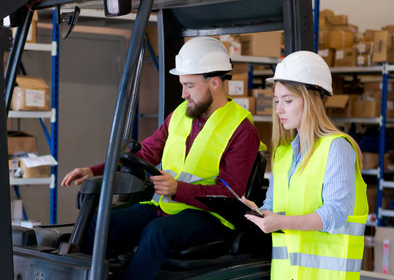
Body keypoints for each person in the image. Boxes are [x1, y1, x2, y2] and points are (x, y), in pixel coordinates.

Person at [61, 36, 261, 280]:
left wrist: (179, 189)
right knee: (100, 223)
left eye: (189, 85)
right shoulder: (180, 115)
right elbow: (143, 154)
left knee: (157, 233)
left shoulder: (242, 128)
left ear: (215, 83)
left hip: (212, 217)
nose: (183, 93)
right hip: (165, 207)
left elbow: (230, 194)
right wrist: (94, 170)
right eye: (182, 85)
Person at [243, 51, 368, 279]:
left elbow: (335, 213)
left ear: (310, 101)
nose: (279, 110)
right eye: (277, 101)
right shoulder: (283, 153)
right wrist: (256, 211)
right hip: (285, 273)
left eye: (288, 101)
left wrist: (281, 221)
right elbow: (273, 205)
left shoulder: (337, 147)